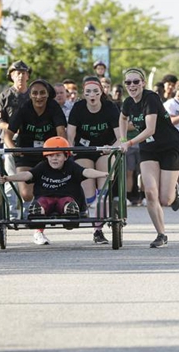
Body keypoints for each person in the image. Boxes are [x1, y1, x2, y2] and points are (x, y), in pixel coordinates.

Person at [0, 136, 108, 245]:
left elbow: (86, 172)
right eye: (50, 155)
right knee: (41, 203)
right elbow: (27, 175)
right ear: (46, 157)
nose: (54, 158)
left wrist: (103, 174)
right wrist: (9, 178)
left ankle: (69, 211)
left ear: (66, 157)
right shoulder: (42, 166)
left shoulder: (71, 166)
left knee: (67, 202)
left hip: (66, 198)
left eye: (58, 155)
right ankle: (38, 216)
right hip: (46, 198)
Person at [119, 67, 179, 248]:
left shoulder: (151, 98)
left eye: (135, 82)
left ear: (143, 83)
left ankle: (174, 189)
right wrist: (122, 139)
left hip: (169, 147)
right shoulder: (128, 103)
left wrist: (128, 143)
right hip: (148, 149)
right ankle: (161, 234)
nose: (132, 85)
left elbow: (150, 129)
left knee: (165, 200)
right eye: (128, 82)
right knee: (149, 192)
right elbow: (122, 119)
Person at [4, 79, 67, 245]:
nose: (39, 96)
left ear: (48, 94)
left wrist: (62, 150)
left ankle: (39, 228)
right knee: (26, 194)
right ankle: (31, 210)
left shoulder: (54, 107)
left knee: (45, 189)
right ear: (30, 95)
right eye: (35, 93)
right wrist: (14, 150)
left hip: (48, 154)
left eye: (42, 93)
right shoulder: (24, 109)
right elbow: (8, 135)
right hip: (25, 153)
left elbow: (61, 131)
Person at [67, 76, 121, 244]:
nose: (92, 95)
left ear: (101, 92)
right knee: (90, 195)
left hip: (104, 150)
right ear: (84, 93)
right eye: (88, 91)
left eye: (95, 91)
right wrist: (70, 151)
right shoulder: (78, 107)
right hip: (84, 151)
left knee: (103, 189)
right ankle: (96, 221)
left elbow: (122, 137)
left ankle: (98, 229)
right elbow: (70, 135)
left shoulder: (110, 107)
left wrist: (112, 148)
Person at [0, 60, 32, 218]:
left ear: (28, 76)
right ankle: (12, 213)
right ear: (11, 75)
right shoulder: (4, 96)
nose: (21, 76)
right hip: (11, 139)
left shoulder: (33, 94)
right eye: (17, 73)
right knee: (10, 177)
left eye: (24, 73)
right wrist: (12, 129)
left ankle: (28, 211)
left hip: (31, 139)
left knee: (30, 177)